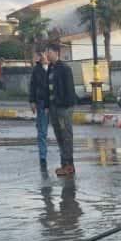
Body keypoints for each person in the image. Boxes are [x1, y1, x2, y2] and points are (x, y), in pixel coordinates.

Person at [45, 43, 78, 177]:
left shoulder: (65, 68)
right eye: (47, 52)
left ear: (56, 53)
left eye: (49, 52)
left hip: (63, 108)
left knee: (66, 136)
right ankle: (64, 164)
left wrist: (64, 105)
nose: (47, 55)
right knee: (59, 135)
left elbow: (70, 89)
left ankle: (69, 165)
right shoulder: (50, 69)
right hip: (53, 107)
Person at [28, 49, 51, 168]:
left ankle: (66, 159)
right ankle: (43, 157)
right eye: (41, 54)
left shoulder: (54, 67)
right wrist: (32, 101)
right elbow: (32, 86)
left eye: (45, 53)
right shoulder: (36, 70)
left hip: (54, 104)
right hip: (41, 103)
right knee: (42, 132)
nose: (42, 56)